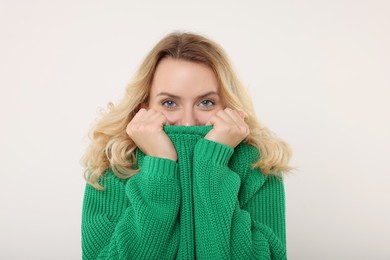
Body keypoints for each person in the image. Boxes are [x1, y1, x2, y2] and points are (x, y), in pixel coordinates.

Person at [81, 31, 292, 259]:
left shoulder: (259, 164)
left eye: (206, 102)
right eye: (169, 103)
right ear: (144, 108)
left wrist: (211, 165)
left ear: (228, 107)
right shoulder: (115, 163)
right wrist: (159, 167)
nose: (189, 122)